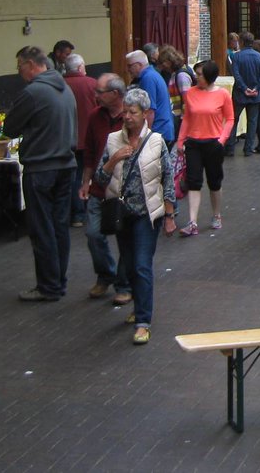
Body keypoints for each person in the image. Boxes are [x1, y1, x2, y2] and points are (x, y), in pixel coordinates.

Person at [94, 89, 177, 346]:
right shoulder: (112, 142)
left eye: (133, 112)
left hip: (147, 214)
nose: (128, 117)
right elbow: (99, 179)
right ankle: (137, 306)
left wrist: (170, 213)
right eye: (125, 112)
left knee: (141, 265)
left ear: (145, 115)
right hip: (121, 214)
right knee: (129, 265)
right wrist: (113, 161)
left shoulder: (156, 141)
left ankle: (143, 321)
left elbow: (167, 178)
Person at [4, 45, 77, 302]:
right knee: (59, 227)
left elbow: (9, 128)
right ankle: (59, 280)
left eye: (19, 67)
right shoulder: (65, 89)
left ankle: (48, 286)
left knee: (41, 227)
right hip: (66, 166)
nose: (19, 72)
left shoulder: (33, 92)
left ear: (31, 64)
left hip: (41, 168)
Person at [80, 74, 132, 304]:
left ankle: (124, 283)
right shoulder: (95, 116)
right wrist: (86, 181)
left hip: (123, 187)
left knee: (125, 237)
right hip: (99, 187)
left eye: (100, 92)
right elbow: (89, 151)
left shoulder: (132, 117)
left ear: (115, 94)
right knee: (93, 233)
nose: (95, 95)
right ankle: (105, 273)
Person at [174, 61, 235, 236]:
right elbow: (187, 118)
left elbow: (230, 119)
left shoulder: (222, 94)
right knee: (194, 181)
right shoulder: (191, 93)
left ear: (209, 76)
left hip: (213, 143)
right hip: (193, 143)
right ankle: (192, 222)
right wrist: (181, 141)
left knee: (214, 182)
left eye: (199, 74)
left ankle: (216, 214)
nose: (196, 77)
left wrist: (221, 140)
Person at [62, 53, 98, 228]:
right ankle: (93, 210)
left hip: (67, 140)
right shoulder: (92, 84)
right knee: (93, 173)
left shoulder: (60, 86)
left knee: (73, 176)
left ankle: (76, 214)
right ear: (80, 67)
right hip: (89, 138)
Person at [224, 35, 260, 157]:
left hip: (239, 94)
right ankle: (248, 149)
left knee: (233, 120)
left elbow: (236, 74)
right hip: (255, 94)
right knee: (252, 122)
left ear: (242, 42)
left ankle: (230, 148)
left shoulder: (237, 56)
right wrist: (257, 88)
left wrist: (244, 88)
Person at [125, 50, 175, 145]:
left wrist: (144, 137)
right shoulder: (152, 74)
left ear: (138, 65)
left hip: (158, 131)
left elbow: (149, 110)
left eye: (129, 66)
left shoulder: (148, 78)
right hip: (164, 130)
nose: (128, 69)